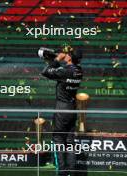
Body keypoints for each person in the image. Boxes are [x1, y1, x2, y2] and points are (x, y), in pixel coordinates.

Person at [41, 46, 83, 176]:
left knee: (58, 139)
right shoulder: (79, 70)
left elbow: (46, 71)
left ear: (69, 57)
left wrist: (57, 59)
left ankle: (62, 172)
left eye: (68, 54)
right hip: (72, 109)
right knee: (70, 141)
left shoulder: (65, 71)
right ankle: (71, 172)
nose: (66, 55)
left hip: (62, 109)